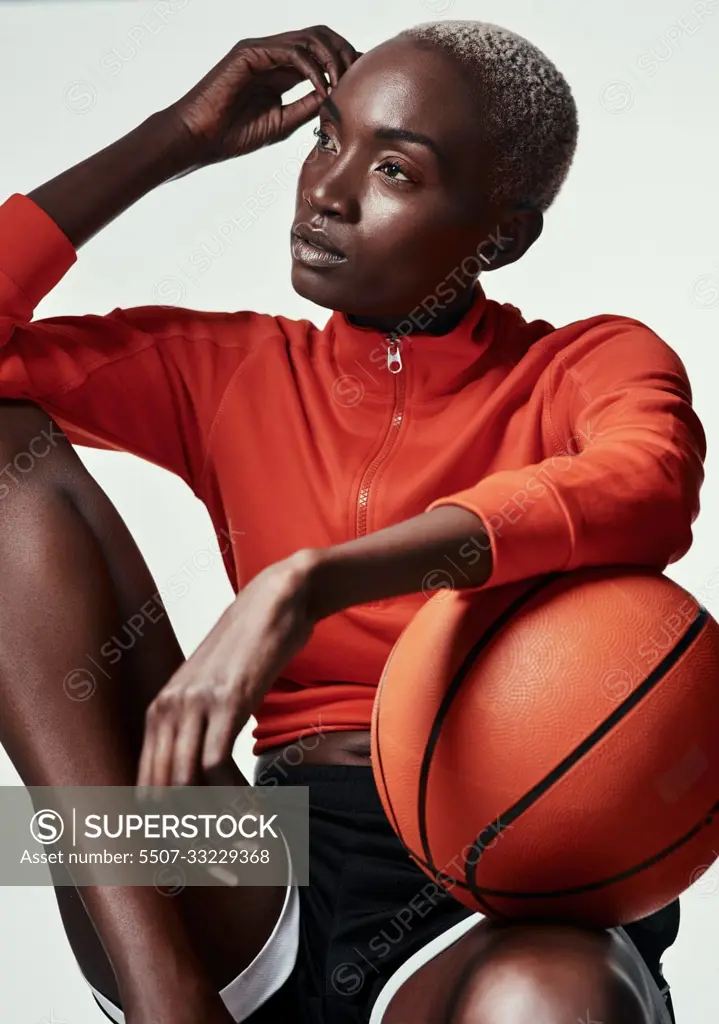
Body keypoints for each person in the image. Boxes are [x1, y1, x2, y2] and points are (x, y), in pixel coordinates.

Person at [0, 18, 705, 1024]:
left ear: (498, 233)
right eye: (323, 139)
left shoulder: (588, 367)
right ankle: (166, 997)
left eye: (392, 171)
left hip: (510, 863)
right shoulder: (233, 370)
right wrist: (172, 139)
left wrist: (312, 578)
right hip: (258, 866)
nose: (327, 191)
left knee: (543, 999)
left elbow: (645, 486)